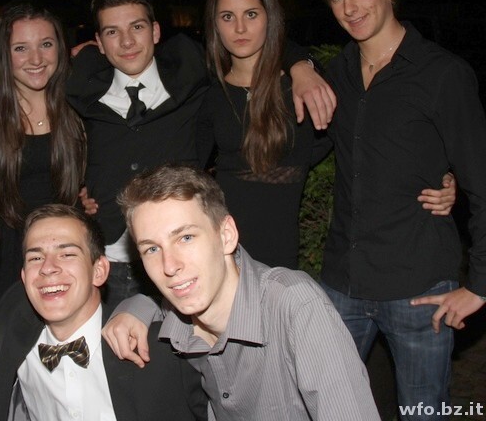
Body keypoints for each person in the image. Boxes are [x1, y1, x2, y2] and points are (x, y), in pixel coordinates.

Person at [68, 0, 334, 309]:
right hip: (111, 262)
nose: (126, 41)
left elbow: (261, 44)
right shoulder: (81, 82)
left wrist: (302, 65)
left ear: (155, 31)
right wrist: (81, 190)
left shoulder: (192, 71)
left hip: (189, 259)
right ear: (99, 41)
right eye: (112, 32)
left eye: (136, 27)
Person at [314, 0, 486, 418]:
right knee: (328, 409)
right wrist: (302, 67)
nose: (349, 8)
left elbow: (481, 180)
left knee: (423, 412)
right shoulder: (336, 73)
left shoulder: (442, 74)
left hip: (419, 288)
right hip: (343, 285)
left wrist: (480, 284)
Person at [197, 0, 455, 268]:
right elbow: (186, 169)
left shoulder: (308, 89)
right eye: (227, 17)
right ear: (215, 24)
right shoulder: (209, 96)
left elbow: (374, 135)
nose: (240, 27)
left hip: (280, 256)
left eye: (251, 14)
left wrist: (439, 174)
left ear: (270, 17)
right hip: (219, 250)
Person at [104, 163, 379, 420]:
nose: (169, 266)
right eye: (152, 249)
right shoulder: (182, 313)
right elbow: (160, 306)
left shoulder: (296, 307)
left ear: (226, 235)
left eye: (185, 238)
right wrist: (133, 308)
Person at [0, 204, 207, 421]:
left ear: (99, 271)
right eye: (35, 258)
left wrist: (145, 305)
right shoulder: (10, 330)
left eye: (67, 254)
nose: (47, 268)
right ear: (24, 277)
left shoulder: (160, 351)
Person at [0, 0, 86, 301]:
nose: (36, 59)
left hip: (65, 262)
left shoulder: (79, 109)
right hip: (1, 271)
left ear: (61, 47)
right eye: (21, 48)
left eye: (46, 44)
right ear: (4, 55)